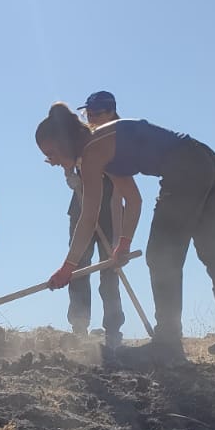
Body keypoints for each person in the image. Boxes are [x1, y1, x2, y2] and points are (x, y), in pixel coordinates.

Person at [35, 102, 215, 364]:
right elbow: (133, 199)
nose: (51, 162)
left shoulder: (93, 153)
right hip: (206, 160)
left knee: (161, 256)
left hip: (184, 168)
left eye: (51, 153)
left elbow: (89, 216)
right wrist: (123, 244)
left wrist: (67, 267)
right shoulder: (103, 144)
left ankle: (167, 343)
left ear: (64, 141)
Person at [68, 91, 127, 350]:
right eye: (88, 113)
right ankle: (79, 327)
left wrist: (118, 234)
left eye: (95, 113)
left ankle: (112, 330)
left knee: (110, 269)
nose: (90, 117)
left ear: (111, 111)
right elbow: (70, 162)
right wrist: (71, 177)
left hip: (110, 209)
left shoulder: (120, 138)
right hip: (80, 206)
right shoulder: (84, 138)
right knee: (78, 265)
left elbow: (122, 188)